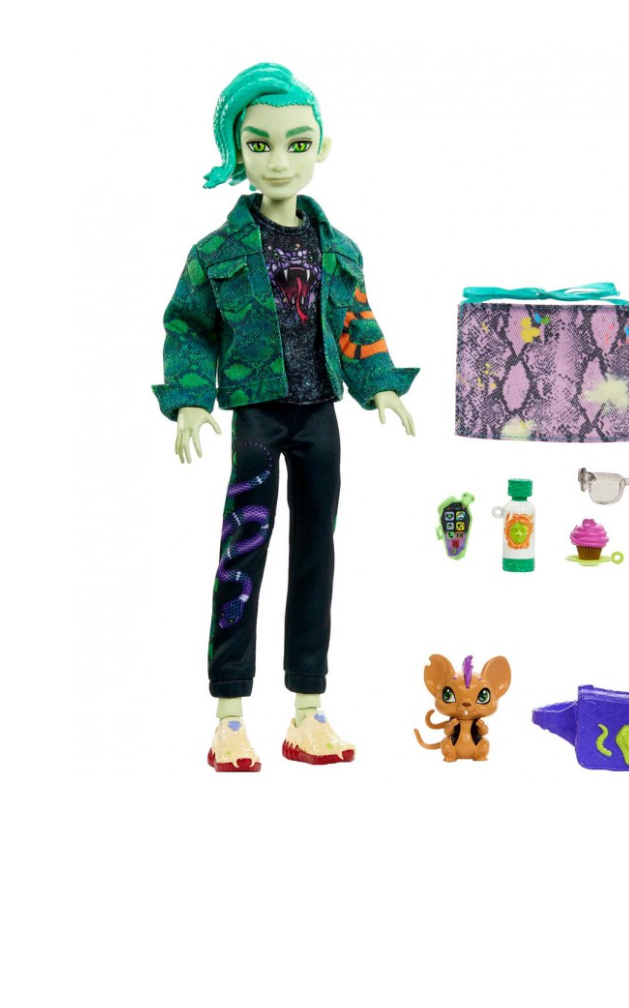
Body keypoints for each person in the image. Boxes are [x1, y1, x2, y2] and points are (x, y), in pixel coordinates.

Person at [152, 63, 418, 771]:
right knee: (243, 551)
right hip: (257, 418)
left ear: (321, 147)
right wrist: (189, 399)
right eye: (259, 144)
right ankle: (230, 715)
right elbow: (188, 326)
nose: (278, 161)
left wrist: (380, 386)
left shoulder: (340, 249)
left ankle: (308, 709)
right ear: (236, 151)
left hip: (319, 417)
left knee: (315, 554)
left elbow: (356, 321)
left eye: (297, 144)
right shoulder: (216, 253)